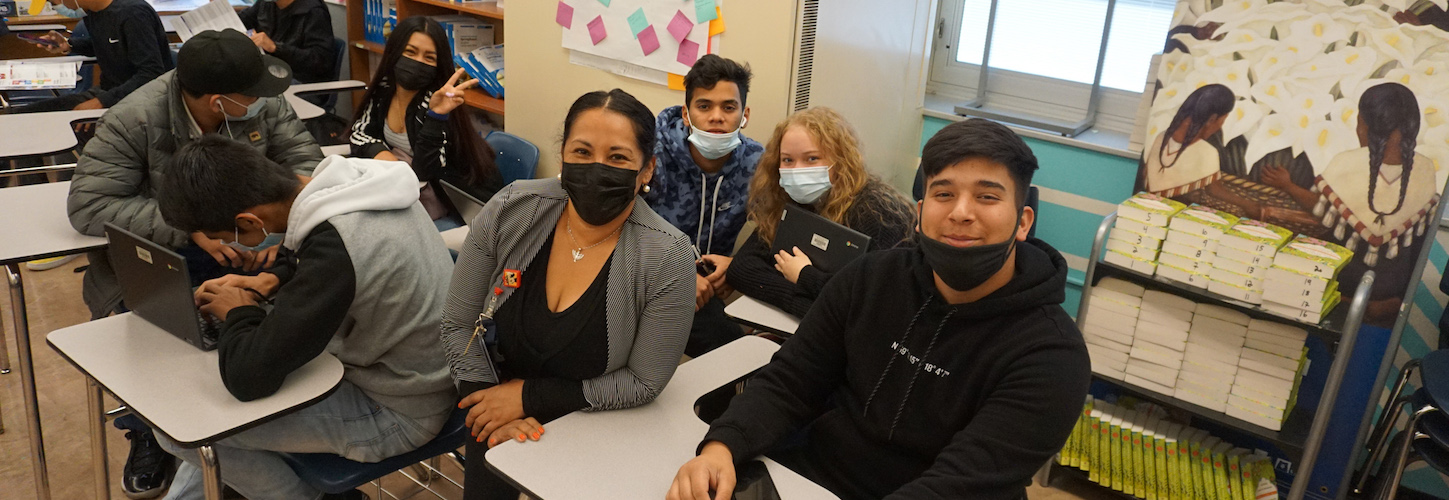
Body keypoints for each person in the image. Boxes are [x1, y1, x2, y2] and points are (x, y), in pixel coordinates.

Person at [668, 118, 1092, 500]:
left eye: (987, 196)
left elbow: (965, 481)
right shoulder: (870, 279)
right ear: (922, 213)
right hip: (816, 477)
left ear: (1022, 221)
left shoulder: (1053, 355)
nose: (962, 213)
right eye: (944, 193)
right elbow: (790, 382)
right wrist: (721, 447)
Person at [65, 28, 323, 498]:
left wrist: (279, 226)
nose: (262, 103)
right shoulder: (135, 118)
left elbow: (306, 164)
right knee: (159, 347)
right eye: (249, 97)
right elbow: (89, 206)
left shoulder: (261, 101)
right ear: (218, 101)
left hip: (251, 242)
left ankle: (258, 446)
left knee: (285, 329)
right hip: (168, 253)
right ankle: (150, 433)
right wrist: (190, 226)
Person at [152, 135, 457, 500]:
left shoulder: (337, 247)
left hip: (396, 412)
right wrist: (271, 278)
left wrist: (239, 310)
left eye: (226, 237)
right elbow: (307, 249)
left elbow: (249, 378)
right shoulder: (349, 184)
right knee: (198, 426)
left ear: (248, 220)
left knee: (179, 429)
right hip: (414, 373)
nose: (230, 246)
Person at [439, 89, 695, 500]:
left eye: (617, 158)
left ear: (646, 170)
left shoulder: (667, 255)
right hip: (492, 404)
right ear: (562, 156)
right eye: (582, 151)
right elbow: (457, 324)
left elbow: (644, 382)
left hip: (595, 423)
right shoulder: (510, 209)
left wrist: (525, 397)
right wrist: (484, 405)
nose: (597, 169)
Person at [1261, 82, 1440, 326]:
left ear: (1365, 126)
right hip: (1391, 300)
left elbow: (1322, 209)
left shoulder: (1345, 164)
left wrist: (1289, 187)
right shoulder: (1426, 169)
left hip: (1339, 293)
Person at [726, 107, 915, 318]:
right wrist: (803, 302)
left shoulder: (879, 213)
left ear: (841, 160)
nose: (797, 170)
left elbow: (868, 303)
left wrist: (805, 277)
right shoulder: (790, 198)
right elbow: (742, 268)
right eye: (787, 160)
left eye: (812, 159)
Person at [644, 54, 765, 356]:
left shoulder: (756, 164)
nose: (716, 117)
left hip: (705, 292)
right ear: (686, 114)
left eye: (728, 107)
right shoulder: (650, 153)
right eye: (704, 106)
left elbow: (776, 225)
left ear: (744, 114)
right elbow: (618, 225)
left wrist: (739, 265)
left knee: (732, 352)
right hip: (641, 280)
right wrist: (680, 275)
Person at [350, 17, 502, 230]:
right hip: (405, 186)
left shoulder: (437, 102)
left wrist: (436, 116)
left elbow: (425, 172)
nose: (417, 62)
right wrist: (384, 156)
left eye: (429, 57)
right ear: (395, 51)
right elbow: (359, 132)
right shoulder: (385, 90)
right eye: (410, 52)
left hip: (452, 201)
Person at [15, 0, 171, 112]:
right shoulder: (94, 14)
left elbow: (151, 74)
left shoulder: (133, 14)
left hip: (139, 102)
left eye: (53, 2)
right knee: (18, 116)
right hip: (111, 93)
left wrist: (101, 102)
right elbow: (109, 45)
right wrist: (69, 45)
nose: (57, 7)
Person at [238, 0, 337, 85]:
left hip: (300, 79)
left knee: (244, 87)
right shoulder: (266, 4)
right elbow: (242, 20)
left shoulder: (314, 11)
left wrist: (275, 48)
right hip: (272, 70)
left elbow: (322, 61)